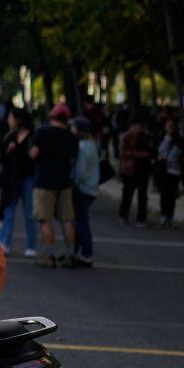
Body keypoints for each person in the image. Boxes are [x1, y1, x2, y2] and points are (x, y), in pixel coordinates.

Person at [31, 104, 80, 268]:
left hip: (44, 181)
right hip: (64, 182)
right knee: (67, 220)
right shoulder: (71, 136)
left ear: (52, 116)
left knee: (45, 220)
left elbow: (34, 153)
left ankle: (48, 254)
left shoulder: (42, 132)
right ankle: (70, 254)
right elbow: (73, 160)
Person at [0, 107, 39, 256]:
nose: (8, 119)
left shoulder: (33, 137)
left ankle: (31, 246)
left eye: (11, 117)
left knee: (29, 213)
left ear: (18, 119)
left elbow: (36, 158)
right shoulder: (9, 135)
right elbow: (2, 159)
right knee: (9, 211)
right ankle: (4, 243)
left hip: (28, 178)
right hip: (12, 179)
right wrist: (7, 151)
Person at [70, 115, 100, 268]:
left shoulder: (82, 147)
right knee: (81, 221)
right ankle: (82, 251)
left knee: (80, 222)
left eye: (74, 127)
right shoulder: (91, 144)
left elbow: (80, 172)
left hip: (83, 188)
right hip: (92, 188)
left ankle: (85, 253)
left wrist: (72, 180)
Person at [117, 113, 154, 227]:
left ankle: (141, 218)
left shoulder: (146, 136)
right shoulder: (127, 136)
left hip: (143, 168)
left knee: (142, 195)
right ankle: (123, 216)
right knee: (128, 193)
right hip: (130, 168)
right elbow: (122, 152)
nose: (139, 128)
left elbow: (151, 150)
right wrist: (137, 154)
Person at [155, 116, 184, 228]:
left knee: (172, 195)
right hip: (163, 170)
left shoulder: (179, 141)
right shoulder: (160, 138)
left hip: (175, 171)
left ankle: (169, 216)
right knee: (164, 194)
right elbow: (155, 152)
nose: (170, 128)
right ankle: (164, 216)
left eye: (172, 126)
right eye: (168, 126)